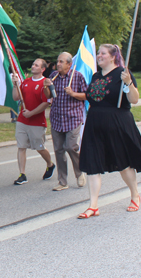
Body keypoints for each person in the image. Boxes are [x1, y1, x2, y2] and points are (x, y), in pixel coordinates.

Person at [76, 44, 141, 219]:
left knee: (123, 163)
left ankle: (135, 195)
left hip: (117, 122)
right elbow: (91, 97)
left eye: (102, 53)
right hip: (95, 123)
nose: (99, 55)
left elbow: (134, 100)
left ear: (113, 57)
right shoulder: (96, 76)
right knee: (92, 165)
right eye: (98, 53)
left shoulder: (122, 74)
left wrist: (128, 83)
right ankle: (93, 205)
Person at [44, 52, 88, 191]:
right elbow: (49, 96)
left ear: (69, 64)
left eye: (62, 62)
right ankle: (62, 182)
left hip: (72, 118)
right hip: (57, 118)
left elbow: (86, 96)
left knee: (71, 147)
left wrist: (73, 93)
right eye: (58, 61)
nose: (58, 64)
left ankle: (79, 172)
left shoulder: (78, 77)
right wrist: (46, 86)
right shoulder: (53, 77)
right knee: (58, 150)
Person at [12, 59, 55, 185]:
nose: (33, 66)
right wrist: (15, 85)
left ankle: (50, 164)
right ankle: (22, 174)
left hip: (37, 122)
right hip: (22, 120)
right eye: (33, 64)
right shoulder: (26, 81)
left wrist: (31, 113)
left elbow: (46, 102)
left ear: (42, 69)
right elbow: (16, 97)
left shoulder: (44, 83)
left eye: (36, 65)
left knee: (39, 148)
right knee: (21, 146)